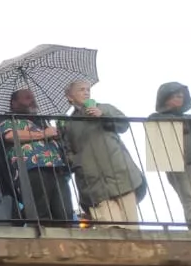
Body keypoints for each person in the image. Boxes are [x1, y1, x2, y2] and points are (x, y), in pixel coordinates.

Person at [61, 80, 146, 224]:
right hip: (93, 184)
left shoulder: (104, 108)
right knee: (110, 229)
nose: (86, 92)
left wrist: (103, 115)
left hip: (121, 175)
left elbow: (123, 124)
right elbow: (67, 150)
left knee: (131, 227)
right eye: (81, 90)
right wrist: (78, 163)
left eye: (88, 89)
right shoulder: (68, 124)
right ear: (70, 96)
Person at [0, 88, 73, 224]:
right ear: (14, 103)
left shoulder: (41, 120)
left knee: (65, 213)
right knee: (41, 214)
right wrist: (42, 134)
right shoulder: (7, 118)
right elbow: (10, 135)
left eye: (33, 97)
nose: (32, 100)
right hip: (32, 169)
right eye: (27, 97)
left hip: (57, 168)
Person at [148, 82, 191, 226]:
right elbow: (165, 126)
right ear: (165, 99)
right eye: (176, 94)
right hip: (181, 164)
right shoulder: (156, 117)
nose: (180, 97)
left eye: (181, 95)